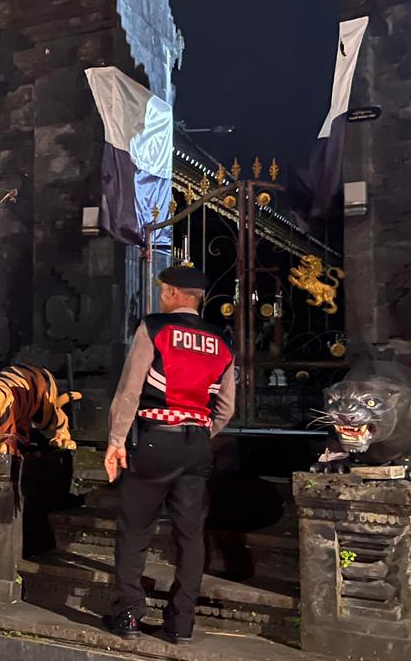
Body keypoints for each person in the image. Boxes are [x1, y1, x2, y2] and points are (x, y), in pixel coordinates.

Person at [103, 265, 235, 645]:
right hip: (197, 447)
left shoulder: (154, 327)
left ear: (175, 294)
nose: (161, 296)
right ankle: (181, 625)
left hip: (155, 441)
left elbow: (130, 391)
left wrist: (116, 440)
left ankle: (130, 614)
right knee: (190, 536)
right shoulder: (221, 340)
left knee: (135, 529)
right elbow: (226, 408)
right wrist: (199, 433)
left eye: (164, 290)